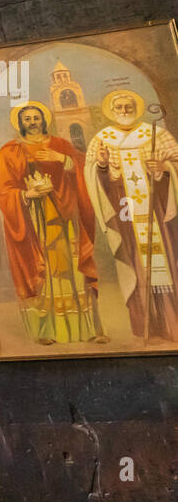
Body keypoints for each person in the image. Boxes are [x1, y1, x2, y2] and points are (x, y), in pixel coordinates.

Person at [0, 101, 105, 345]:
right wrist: (25, 195)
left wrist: (64, 159)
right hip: (34, 219)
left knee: (73, 266)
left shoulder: (60, 145)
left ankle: (88, 330)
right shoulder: (10, 150)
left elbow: (83, 166)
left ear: (44, 120)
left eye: (36, 117)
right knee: (43, 268)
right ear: (20, 123)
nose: (32, 122)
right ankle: (46, 331)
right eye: (27, 119)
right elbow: (2, 188)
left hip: (65, 216)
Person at [85, 89, 178, 341]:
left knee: (167, 264)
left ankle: (172, 323)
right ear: (111, 111)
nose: (124, 111)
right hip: (126, 215)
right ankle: (146, 326)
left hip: (158, 213)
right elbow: (94, 176)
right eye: (119, 108)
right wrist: (103, 166)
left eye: (129, 107)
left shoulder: (156, 134)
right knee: (136, 266)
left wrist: (163, 169)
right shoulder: (102, 139)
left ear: (136, 108)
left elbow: (175, 163)